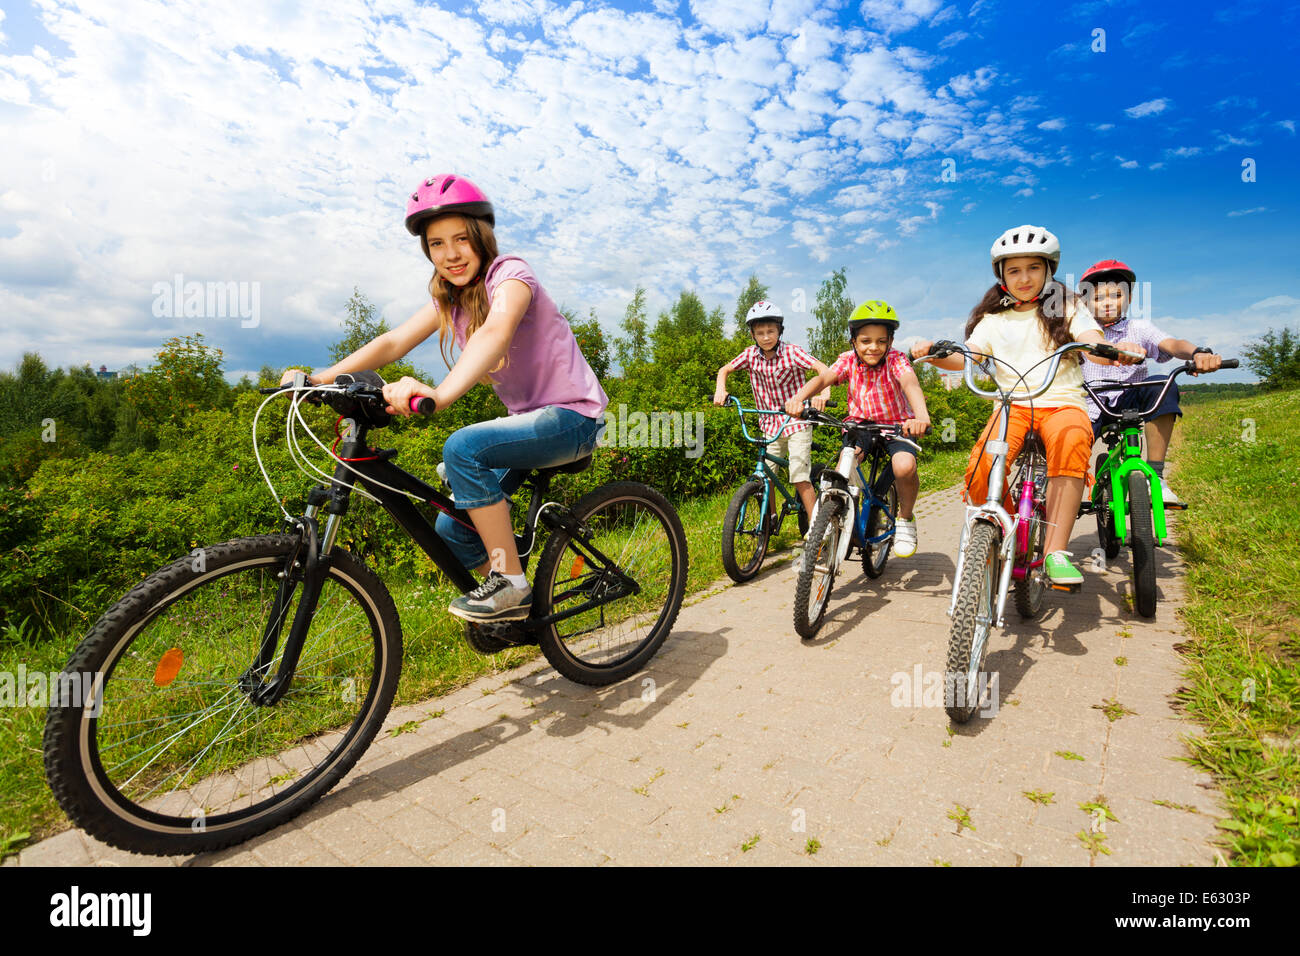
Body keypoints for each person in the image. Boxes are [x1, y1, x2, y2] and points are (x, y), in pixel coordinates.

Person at [281, 173, 608, 622]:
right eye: (436, 244)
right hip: (526, 421)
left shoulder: (510, 274)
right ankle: (513, 597)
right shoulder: (450, 302)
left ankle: (511, 584)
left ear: (481, 237)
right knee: (452, 530)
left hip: (573, 417)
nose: (450, 254)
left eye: (460, 239)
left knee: (462, 447)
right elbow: (393, 342)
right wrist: (322, 379)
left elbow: (496, 331)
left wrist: (439, 393)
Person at [912, 225, 1142, 586]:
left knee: (1071, 442)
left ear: (1049, 271)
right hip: (1011, 405)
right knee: (982, 466)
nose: (1024, 278)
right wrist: (934, 354)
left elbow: (1088, 335)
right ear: (1001, 275)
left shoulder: (1067, 307)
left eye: (1033, 268)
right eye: (1014, 270)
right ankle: (1003, 529)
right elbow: (969, 358)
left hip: (1061, 403)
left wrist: (1102, 346)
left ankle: (1055, 551)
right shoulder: (991, 321)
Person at [786, 300, 931, 558]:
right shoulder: (847, 360)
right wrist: (799, 398)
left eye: (880, 341)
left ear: (890, 341)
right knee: (846, 460)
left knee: (904, 467)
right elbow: (823, 378)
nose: (873, 347)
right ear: (854, 341)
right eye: (865, 341)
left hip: (898, 426)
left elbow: (911, 384)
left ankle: (906, 519)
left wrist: (921, 416)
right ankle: (835, 517)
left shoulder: (897, 360)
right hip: (861, 425)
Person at [1077, 259, 1223, 505]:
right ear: (1086, 302)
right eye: (1099, 298)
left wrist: (1199, 352)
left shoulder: (1139, 328)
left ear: (1130, 298)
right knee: (1067, 446)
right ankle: (1059, 492)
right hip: (1091, 405)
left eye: (1116, 295)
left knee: (1162, 383)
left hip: (1131, 400)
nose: (1108, 303)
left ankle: (1155, 475)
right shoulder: (1081, 333)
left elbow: (1173, 344)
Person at [713, 300, 831, 522]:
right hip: (769, 424)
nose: (766, 337)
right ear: (753, 335)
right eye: (760, 333)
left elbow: (822, 369)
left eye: (770, 331)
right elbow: (725, 369)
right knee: (766, 475)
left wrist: (823, 394)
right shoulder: (749, 355)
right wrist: (721, 389)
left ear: (779, 331)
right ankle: (770, 521)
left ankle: (818, 527)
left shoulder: (792, 353)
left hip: (797, 421)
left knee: (798, 475)